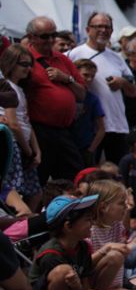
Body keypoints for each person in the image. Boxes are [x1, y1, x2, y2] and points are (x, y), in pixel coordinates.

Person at [22, 17, 86, 182]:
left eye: (54, 35)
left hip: (64, 130)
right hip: (40, 129)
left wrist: (67, 79)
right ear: (31, 37)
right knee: (38, 179)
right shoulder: (25, 59)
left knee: (74, 177)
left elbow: (82, 94)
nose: (50, 40)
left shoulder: (62, 59)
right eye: (44, 36)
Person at [67, 12, 135, 165]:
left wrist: (122, 82)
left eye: (107, 27)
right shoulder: (73, 54)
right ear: (87, 30)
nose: (103, 30)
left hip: (117, 125)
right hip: (89, 127)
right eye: (98, 26)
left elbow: (133, 91)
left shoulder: (117, 58)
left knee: (117, 175)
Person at [28, 195, 106, 290]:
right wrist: (76, 288)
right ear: (68, 226)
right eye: (87, 220)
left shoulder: (83, 247)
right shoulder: (51, 253)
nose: (92, 223)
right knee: (62, 272)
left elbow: (85, 287)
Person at [0, 45, 43, 211]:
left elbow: (26, 121)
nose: (28, 68)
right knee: (12, 191)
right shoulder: (6, 87)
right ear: (11, 63)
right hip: (13, 145)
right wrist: (28, 151)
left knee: (35, 192)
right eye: (23, 64)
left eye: (30, 64)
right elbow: (13, 124)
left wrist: (36, 150)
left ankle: (25, 227)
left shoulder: (20, 90)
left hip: (24, 145)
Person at [71, 59, 106, 168]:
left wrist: (91, 150)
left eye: (92, 76)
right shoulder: (67, 95)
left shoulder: (92, 99)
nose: (89, 79)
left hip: (85, 147)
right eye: (85, 75)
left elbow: (101, 129)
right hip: (67, 144)